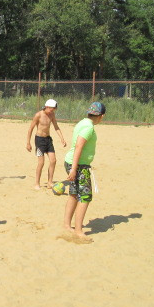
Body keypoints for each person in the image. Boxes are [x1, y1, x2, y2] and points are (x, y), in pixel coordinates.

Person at [63, 101, 106, 244]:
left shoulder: (82, 122)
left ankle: (67, 225)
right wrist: (74, 168)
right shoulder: (89, 127)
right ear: (101, 116)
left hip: (72, 162)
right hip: (79, 165)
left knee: (74, 194)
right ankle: (78, 230)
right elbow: (79, 146)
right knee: (85, 196)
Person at [26, 99, 66, 190]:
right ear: (47, 107)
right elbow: (30, 129)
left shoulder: (52, 114)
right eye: (51, 109)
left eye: (54, 110)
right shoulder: (38, 115)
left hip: (48, 140)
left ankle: (50, 182)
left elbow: (56, 126)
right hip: (39, 141)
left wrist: (62, 138)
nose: (52, 111)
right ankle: (37, 183)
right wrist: (28, 143)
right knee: (41, 163)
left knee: (53, 160)